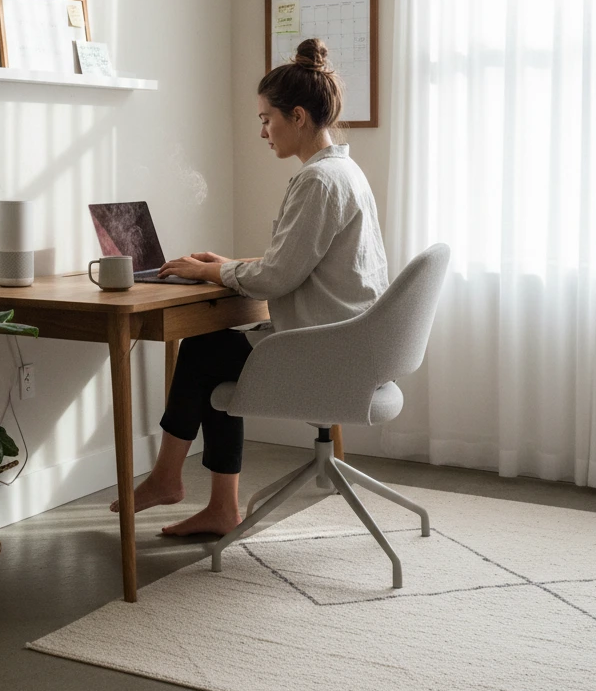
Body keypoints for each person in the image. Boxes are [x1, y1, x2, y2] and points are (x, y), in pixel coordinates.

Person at [109, 38, 389, 536]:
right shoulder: (345, 171)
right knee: (216, 351)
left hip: (331, 354)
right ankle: (212, 501)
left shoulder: (318, 182)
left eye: (266, 118)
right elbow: (302, 263)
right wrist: (230, 264)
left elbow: (280, 276)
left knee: (204, 348)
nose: (262, 130)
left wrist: (212, 272)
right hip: (356, 344)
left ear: (297, 116)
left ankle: (169, 477)